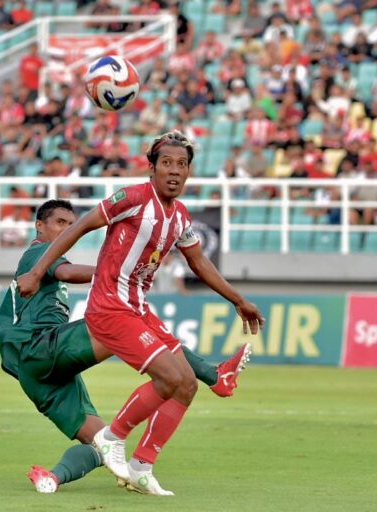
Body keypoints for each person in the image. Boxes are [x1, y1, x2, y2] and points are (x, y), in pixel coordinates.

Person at [17, 131, 265, 495]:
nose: (174, 171)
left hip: (137, 306)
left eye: (182, 165)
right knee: (167, 378)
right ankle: (112, 438)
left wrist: (237, 299)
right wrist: (38, 271)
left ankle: (142, 464)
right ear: (152, 168)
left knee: (185, 384)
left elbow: (199, 262)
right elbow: (84, 224)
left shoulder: (179, 217)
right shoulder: (132, 198)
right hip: (110, 307)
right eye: (166, 163)